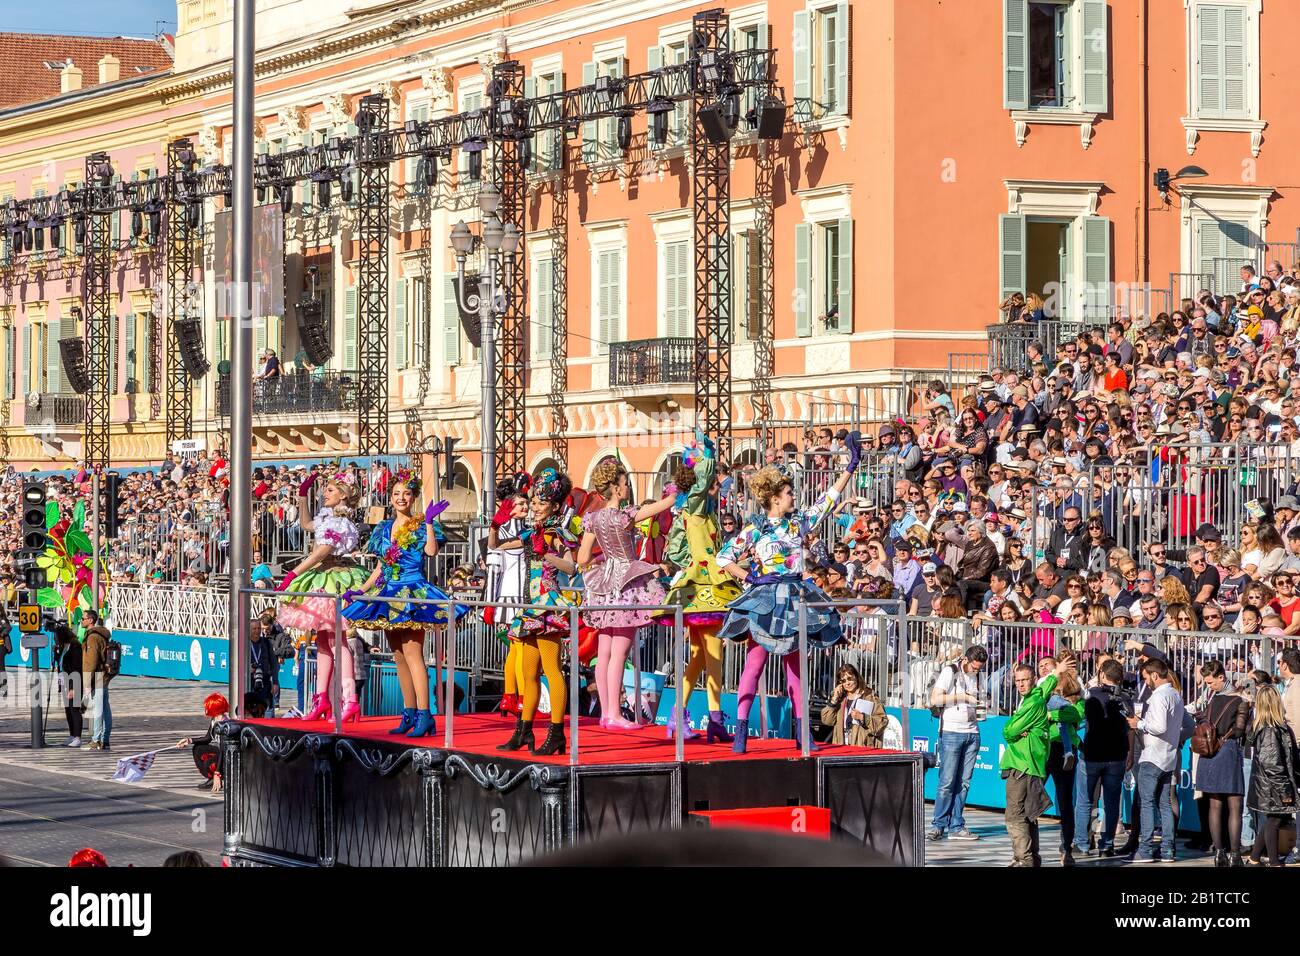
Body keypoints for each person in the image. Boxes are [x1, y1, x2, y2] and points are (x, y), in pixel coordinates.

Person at [718, 433, 861, 753]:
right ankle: (741, 731)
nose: (792, 497)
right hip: (768, 600)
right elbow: (723, 557)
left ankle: (801, 734)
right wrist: (752, 578)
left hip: (795, 597)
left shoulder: (799, 524)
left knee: (796, 670)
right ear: (774, 499)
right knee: (754, 665)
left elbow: (828, 500)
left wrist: (851, 467)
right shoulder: (756, 528)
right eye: (787, 493)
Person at [342, 469, 458, 738]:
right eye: (396, 494)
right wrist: (362, 589)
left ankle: (425, 714)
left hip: (413, 591)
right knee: (398, 656)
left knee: (414, 654)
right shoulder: (384, 527)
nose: (401, 498)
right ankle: (409, 713)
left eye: (406, 493)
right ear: (390, 498)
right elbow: (382, 566)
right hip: (388, 592)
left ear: (413, 496)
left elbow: (431, 552)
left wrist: (429, 522)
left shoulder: (419, 525)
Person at [657, 432, 743, 742]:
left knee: (699, 657)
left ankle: (680, 717)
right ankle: (714, 719)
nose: (716, 484)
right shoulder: (693, 505)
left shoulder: (700, 508)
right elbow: (704, 473)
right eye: (712, 480)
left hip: (706, 580)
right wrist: (705, 452)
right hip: (704, 584)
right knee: (713, 653)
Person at [577, 459, 675, 730]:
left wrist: (601, 563)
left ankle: (606, 714)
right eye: (624, 483)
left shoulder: (592, 519)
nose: (627, 487)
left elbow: (583, 557)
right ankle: (615, 715)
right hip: (627, 583)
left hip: (604, 585)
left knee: (605, 650)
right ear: (617, 489)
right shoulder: (624, 516)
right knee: (620, 650)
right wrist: (677, 487)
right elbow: (664, 505)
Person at [491, 468, 582, 756]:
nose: (535, 508)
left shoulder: (557, 533)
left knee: (552, 671)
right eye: (534, 503)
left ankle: (556, 733)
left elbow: (571, 567)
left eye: (541, 503)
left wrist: (547, 554)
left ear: (555, 506)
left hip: (548, 606)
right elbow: (494, 547)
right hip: (529, 607)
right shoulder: (531, 533)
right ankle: (523, 730)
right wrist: (495, 525)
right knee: (528, 673)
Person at [277, 470, 369, 723]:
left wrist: (292, 574)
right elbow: (307, 525)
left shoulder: (340, 522)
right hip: (324, 576)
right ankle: (322, 699)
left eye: (329, 490)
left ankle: (349, 700)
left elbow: (321, 553)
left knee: (338, 640)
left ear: (343, 495)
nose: (323, 493)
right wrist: (302, 496)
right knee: (322, 641)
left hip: (334, 577)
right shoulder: (328, 517)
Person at [1002, 656, 1075, 867]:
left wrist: (1012, 731)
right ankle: (1031, 858)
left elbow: (1009, 731)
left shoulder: (1032, 703)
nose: (1021, 684)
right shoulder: (1038, 694)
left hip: (1022, 765)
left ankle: (1024, 860)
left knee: (1016, 816)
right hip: (1031, 766)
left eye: (1025, 680)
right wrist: (1056, 672)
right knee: (1029, 814)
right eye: (1018, 681)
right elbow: (1046, 687)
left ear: (1034, 679)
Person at [1127, 657, 1186, 863]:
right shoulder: (1176, 695)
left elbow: (1159, 727)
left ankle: (1145, 848)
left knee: (1147, 804)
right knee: (1164, 805)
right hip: (1168, 757)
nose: (1145, 683)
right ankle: (1167, 849)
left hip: (1153, 756)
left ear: (1154, 675)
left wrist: (1139, 724)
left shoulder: (1161, 696)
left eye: (1145, 678)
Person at [927, 645, 988, 842]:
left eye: (979, 668)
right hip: (951, 731)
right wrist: (962, 697)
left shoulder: (976, 676)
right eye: (974, 667)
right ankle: (938, 825)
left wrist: (980, 705)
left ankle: (957, 825)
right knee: (946, 782)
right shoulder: (950, 671)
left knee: (964, 782)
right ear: (966, 660)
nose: (976, 671)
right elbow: (935, 698)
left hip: (972, 732)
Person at [1192, 660, 1250, 866]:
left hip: (1209, 755)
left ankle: (1219, 853)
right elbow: (1241, 730)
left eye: (1210, 682)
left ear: (1221, 678)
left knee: (1215, 805)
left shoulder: (1210, 701)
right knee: (1235, 805)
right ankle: (1234, 855)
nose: (1209, 686)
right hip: (1228, 751)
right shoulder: (1240, 700)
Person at [1073, 658, 1130, 857]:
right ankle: (1107, 845)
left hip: (1092, 755)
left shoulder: (1092, 697)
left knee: (1084, 801)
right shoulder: (1125, 698)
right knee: (1112, 802)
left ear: (1102, 675)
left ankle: (1082, 843)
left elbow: (1078, 719)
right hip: (1116, 756)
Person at [486, 473, 531, 718]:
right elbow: (495, 549)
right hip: (515, 595)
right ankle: (521, 697)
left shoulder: (520, 528)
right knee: (521, 647)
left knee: (516, 648)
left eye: (525, 502)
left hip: (515, 594)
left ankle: (509, 696)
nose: (525, 506)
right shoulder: (511, 528)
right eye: (520, 503)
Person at [1245, 683, 1299, 866]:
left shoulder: (1272, 727)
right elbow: (1273, 764)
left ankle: (1253, 859)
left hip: (1270, 785)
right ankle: (1274, 862)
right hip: (1273, 786)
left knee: (1273, 819)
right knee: (1274, 820)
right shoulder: (1270, 730)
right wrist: (1285, 790)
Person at [820, 663, 887, 747]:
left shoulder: (869, 696)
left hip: (863, 748)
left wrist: (863, 717)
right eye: (843, 681)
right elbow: (827, 721)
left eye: (849, 678)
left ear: (856, 677)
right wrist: (834, 700)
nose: (847, 683)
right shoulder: (840, 698)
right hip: (842, 747)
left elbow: (882, 723)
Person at [81, 610, 112, 751]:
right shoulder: (101, 635)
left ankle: (97, 740)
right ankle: (105, 740)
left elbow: (91, 662)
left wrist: (88, 683)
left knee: (98, 709)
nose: (81, 620)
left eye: (83, 618)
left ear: (91, 620)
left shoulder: (93, 638)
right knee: (105, 708)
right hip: (103, 675)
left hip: (97, 676)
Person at [54, 624, 83, 748]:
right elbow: (60, 663)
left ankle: (77, 737)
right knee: (68, 710)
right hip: (64, 681)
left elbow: (76, 668)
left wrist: (73, 687)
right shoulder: (63, 647)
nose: (55, 639)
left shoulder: (75, 648)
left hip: (74, 682)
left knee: (74, 709)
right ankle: (72, 734)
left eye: (56, 636)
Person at [246, 614, 279, 717]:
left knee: (266, 711)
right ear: (249, 630)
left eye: (259, 628)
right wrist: (248, 668)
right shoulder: (244, 643)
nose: (257, 631)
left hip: (265, 682)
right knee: (250, 711)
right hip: (249, 682)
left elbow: (274, 663)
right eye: (254, 629)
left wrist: (275, 682)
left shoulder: (266, 643)